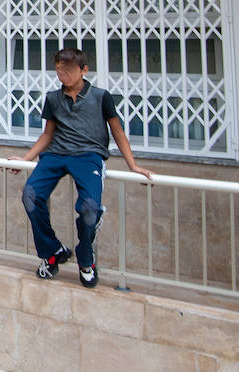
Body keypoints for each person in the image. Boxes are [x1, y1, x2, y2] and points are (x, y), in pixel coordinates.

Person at [11, 47, 154, 287]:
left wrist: (133, 165)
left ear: (84, 70)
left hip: (89, 156)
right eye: (59, 71)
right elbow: (47, 135)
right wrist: (26, 159)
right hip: (56, 154)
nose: (63, 75)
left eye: (68, 70)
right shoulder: (53, 98)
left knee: (90, 208)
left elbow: (117, 132)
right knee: (30, 195)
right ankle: (53, 251)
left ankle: (86, 258)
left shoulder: (101, 96)